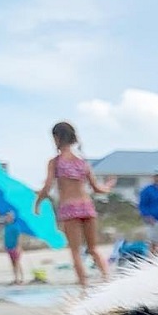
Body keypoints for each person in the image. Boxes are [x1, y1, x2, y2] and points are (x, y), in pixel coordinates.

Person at [34, 121, 115, 289]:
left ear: (57, 138)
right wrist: (107, 187)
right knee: (93, 248)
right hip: (87, 206)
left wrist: (37, 203)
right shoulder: (82, 162)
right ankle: (108, 280)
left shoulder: (55, 162)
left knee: (75, 251)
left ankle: (84, 286)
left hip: (69, 208)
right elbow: (97, 188)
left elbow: (47, 186)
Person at [2, 211, 24, 284]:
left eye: (8, 217)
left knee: (17, 263)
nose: (7, 218)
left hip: (15, 247)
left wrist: (18, 246)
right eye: (6, 217)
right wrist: (5, 245)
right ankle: (15, 278)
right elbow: (5, 237)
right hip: (9, 247)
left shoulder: (15, 226)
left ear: (12, 218)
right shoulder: (7, 227)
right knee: (13, 263)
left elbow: (19, 236)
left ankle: (20, 278)